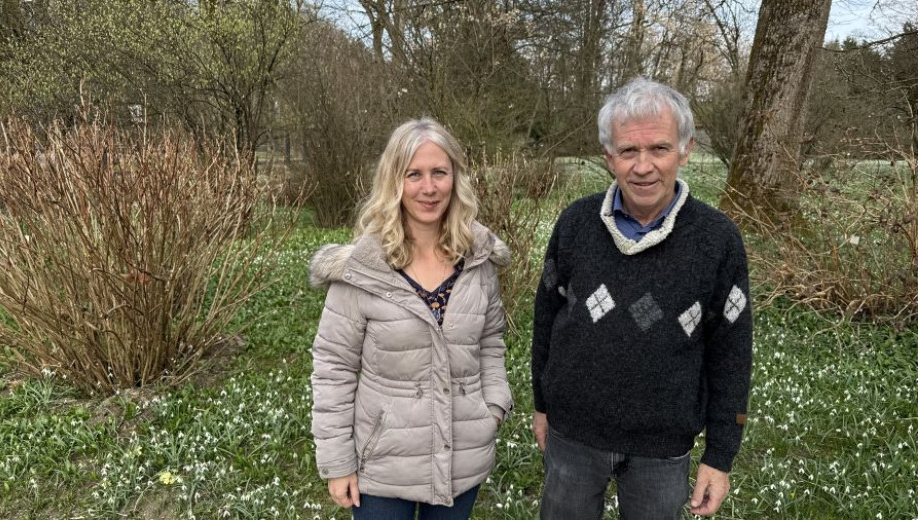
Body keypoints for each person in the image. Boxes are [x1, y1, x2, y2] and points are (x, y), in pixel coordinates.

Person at [531, 77, 753, 519]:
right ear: (609, 156)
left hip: (662, 449)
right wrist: (542, 404)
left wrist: (720, 455)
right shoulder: (575, 225)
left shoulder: (717, 241)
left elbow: (731, 354)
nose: (643, 166)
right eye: (629, 151)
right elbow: (545, 320)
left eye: (659, 149)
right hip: (573, 436)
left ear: (685, 150)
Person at [308, 117, 513, 519]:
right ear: (394, 181)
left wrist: (492, 408)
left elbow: (491, 342)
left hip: (461, 459)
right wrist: (338, 461)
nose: (429, 187)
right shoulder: (365, 269)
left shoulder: (477, 261)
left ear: (455, 178)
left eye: (440, 172)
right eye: (414, 174)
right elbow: (334, 367)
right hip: (381, 466)